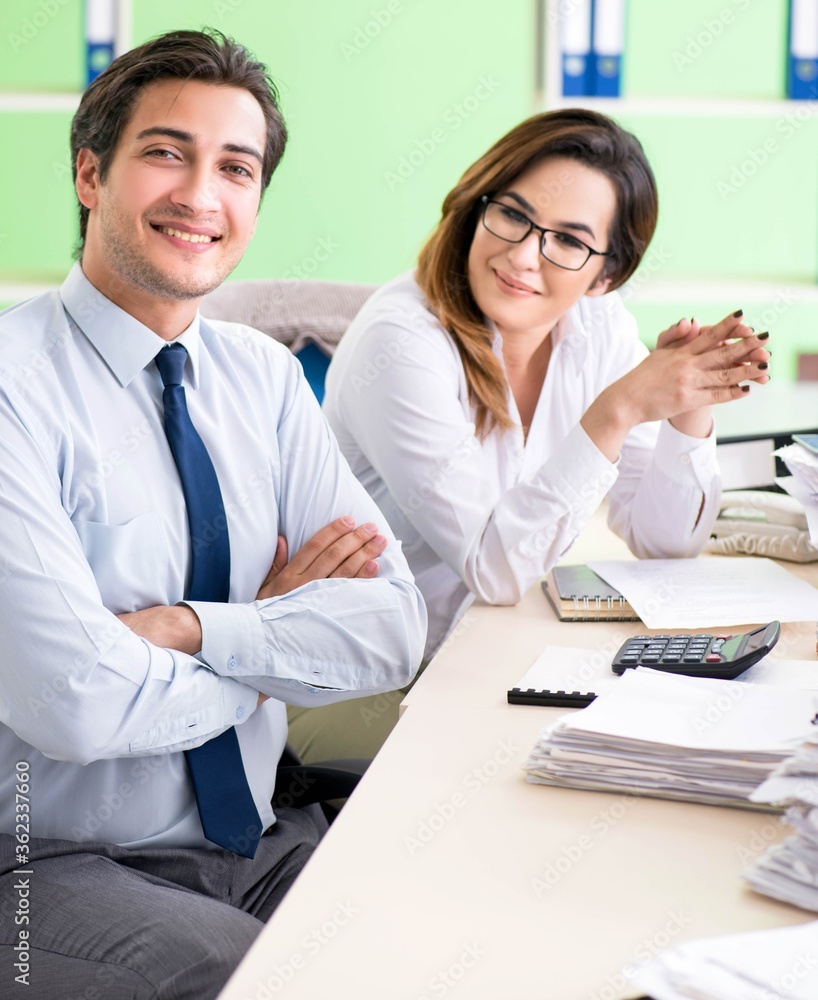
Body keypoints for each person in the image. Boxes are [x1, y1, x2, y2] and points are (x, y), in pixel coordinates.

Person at [0, 29, 426, 999]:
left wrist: (190, 629)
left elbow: (390, 632)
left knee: (439, 936)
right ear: (87, 174)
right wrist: (270, 655)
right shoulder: (12, 390)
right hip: (43, 860)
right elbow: (71, 702)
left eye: (234, 168)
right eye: (165, 153)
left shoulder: (267, 380)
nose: (201, 195)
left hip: (260, 835)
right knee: (261, 981)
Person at [288, 108, 770, 762]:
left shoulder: (596, 326)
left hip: (479, 655)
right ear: (475, 206)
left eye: (568, 241)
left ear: (605, 274)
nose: (522, 256)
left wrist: (689, 405)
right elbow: (496, 567)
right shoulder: (401, 343)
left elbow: (664, 542)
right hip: (358, 682)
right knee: (576, 757)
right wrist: (619, 408)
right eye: (512, 215)